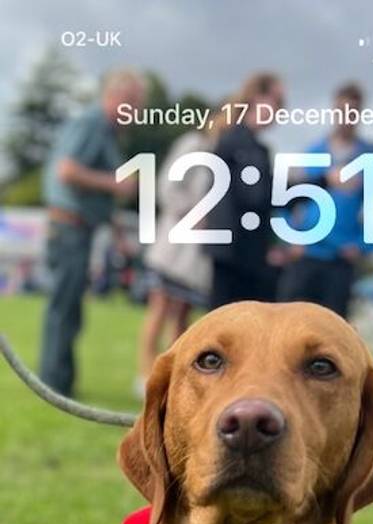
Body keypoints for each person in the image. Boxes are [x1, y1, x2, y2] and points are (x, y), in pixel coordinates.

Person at [39, 70, 146, 396]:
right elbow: (67, 170)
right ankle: (54, 384)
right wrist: (115, 183)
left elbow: (94, 194)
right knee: (64, 308)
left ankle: (61, 382)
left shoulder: (108, 132)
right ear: (120, 98)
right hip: (69, 227)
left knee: (69, 308)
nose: (138, 113)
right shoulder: (92, 123)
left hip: (79, 227)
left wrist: (116, 230)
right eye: (135, 105)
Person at [278, 82, 373, 318]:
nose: (345, 117)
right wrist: (291, 241)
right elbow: (288, 198)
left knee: (333, 332)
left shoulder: (369, 156)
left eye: (352, 111)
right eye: (341, 110)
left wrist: (362, 245)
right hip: (306, 253)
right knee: (289, 322)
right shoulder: (312, 152)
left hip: (341, 258)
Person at [135, 128, 212, 397]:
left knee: (182, 313)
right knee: (160, 307)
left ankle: (176, 380)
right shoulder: (194, 144)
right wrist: (192, 212)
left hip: (196, 255)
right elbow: (168, 186)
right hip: (175, 246)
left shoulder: (222, 153)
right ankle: (145, 376)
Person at [206, 73, 285, 308]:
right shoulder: (237, 142)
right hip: (235, 255)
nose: (281, 110)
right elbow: (256, 195)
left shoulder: (252, 146)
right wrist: (318, 183)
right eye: (277, 101)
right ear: (257, 98)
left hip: (243, 252)